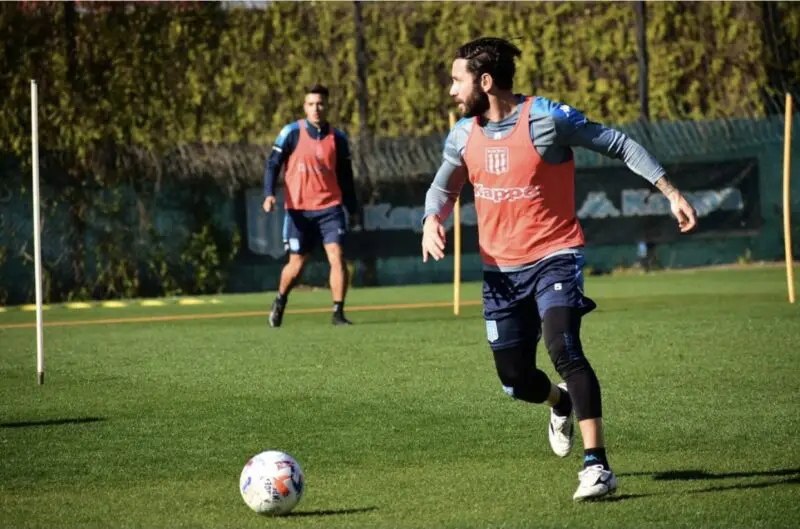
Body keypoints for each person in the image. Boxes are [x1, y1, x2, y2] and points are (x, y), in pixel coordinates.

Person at [421, 37, 697, 501]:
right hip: (500, 275)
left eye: (457, 80)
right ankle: (560, 401)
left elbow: (619, 144)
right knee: (514, 380)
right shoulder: (462, 135)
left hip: (556, 255)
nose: (451, 90)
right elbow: (442, 189)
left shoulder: (548, 119)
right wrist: (432, 220)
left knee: (564, 347)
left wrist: (670, 191)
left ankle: (597, 466)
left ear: (484, 82)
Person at [263, 84, 360, 327]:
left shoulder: (338, 139)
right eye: (311, 104)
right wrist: (268, 194)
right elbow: (273, 164)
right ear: (305, 107)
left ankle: (338, 312)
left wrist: (353, 207)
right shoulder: (291, 133)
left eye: (320, 104)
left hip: (330, 207)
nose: (316, 108)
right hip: (299, 210)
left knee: (337, 257)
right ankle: (280, 300)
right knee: (296, 265)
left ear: (327, 106)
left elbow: (346, 178)